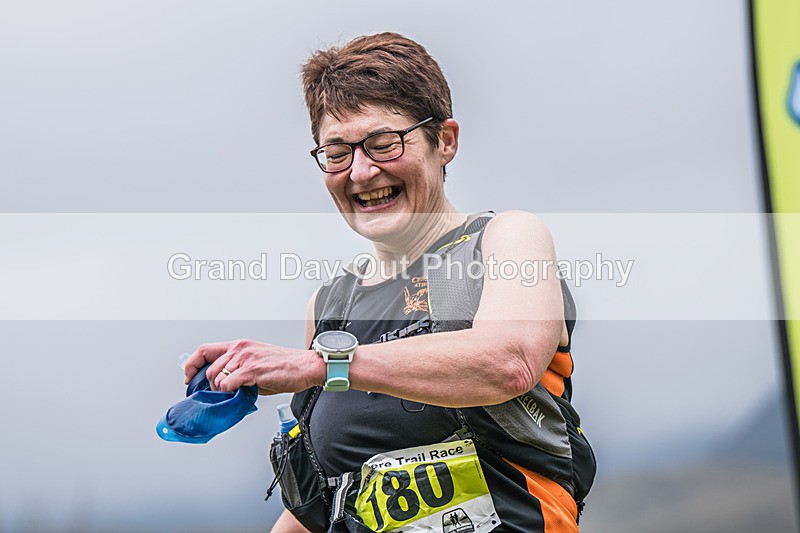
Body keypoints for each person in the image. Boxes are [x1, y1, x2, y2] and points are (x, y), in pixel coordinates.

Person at [183, 32, 595, 533]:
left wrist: (318, 364)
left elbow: (507, 362)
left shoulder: (504, 238)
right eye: (336, 153)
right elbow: (328, 498)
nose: (361, 172)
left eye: (383, 143)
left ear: (445, 141)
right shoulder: (332, 305)